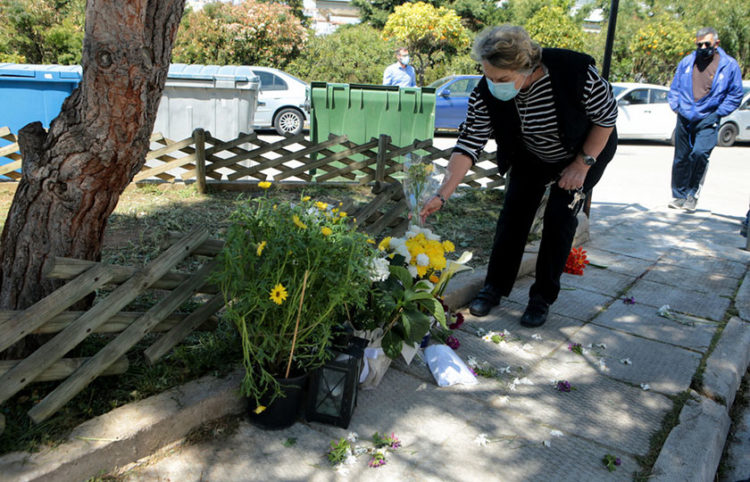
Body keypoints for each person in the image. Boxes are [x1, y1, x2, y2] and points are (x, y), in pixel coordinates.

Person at [419, 25, 618, 327]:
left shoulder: (574, 72)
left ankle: (541, 298)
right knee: (513, 215)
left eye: (502, 79)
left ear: (528, 66)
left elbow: (606, 118)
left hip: (584, 151)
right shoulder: (486, 91)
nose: (494, 84)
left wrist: (581, 164)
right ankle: (494, 287)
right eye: (488, 75)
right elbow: (469, 143)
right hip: (531, 156)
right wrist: (442, 194)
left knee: (559, 219)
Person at [667, 27, 743, 213]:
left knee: (700, 154)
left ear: (716, 44)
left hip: (709, 117)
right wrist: (676, 106)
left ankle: (692, 194)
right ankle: (679, 195)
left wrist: (718, 113)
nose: (702, 47)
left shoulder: (729, 65)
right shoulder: (687, 62)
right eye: (699, 44)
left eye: (706, 44)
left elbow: (735, 94)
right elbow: (675, 87)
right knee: (681, 158)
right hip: (685, 115)